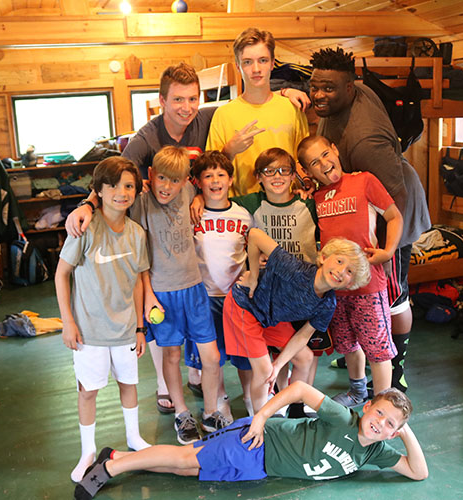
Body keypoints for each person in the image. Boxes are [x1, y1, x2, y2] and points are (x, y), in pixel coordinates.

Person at [65, 62, 309, 414]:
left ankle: (206, 391)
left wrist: (285, 91)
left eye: (193, 98)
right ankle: (168, 390)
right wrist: (88, 204)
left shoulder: (207, 118)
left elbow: (246, 104)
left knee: (205, 339)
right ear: (162, 100)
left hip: (192, 247)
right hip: (158, 255)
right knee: (167, 337)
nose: (186, 107)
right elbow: (115, 174)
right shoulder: (146, 138)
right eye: (178, 99)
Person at [309, 47, 431, 394]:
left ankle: (397, 368)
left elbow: (394, 200)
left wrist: (386, 250)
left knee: (393, 296)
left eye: (328, 88)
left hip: (394, 210)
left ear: (349, 88)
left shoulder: (366, 141)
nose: (319, 94)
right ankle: (363, 348)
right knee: (356, 293)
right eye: (315, 86)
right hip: (358, 203)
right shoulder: (342, 96)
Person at [74, 381, 428, 499]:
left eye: (390, 423)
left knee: (186, 470)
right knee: (186, 459)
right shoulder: (342, 418)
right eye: (378, 413)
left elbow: (418, 472)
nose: (380, 423)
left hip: (259, 467)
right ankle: (109, 467)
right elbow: (301, 389)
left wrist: (405, 430)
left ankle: (117, 454)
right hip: (260, 443)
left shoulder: (377, 452)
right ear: (367, 408)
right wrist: (260, 416)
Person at [54, 157, 151, 482]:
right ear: (97, 190)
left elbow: (138, 281)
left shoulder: (137, 234)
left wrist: (139, 327)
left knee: (129, 384)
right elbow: (61, 274)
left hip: (125, 330)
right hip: (88, 333)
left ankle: (134, 438)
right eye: (112, 185)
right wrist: (68, 321)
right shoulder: (83, 228)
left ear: (136, 191)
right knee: (88, 392)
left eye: (128, 186)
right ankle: (87, 452)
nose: (121, 193)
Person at [130, 145, 228, 445]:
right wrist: (148, 296)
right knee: (171, 355)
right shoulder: (140, 205)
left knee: (210, 356)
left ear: (187, 181)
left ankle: (211, 411)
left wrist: (198, 195)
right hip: (162, 293)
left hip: (195, 289)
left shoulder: (188, 194)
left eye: (175, 180)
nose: (167, 187)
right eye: (161, 179)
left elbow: (207, 182)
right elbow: (139, 260)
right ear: (151, 176)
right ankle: (182, 413)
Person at [298, 134, 404, 406]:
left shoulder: (364, 181)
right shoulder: (317, 197)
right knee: (347, 344)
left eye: (325, 154)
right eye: (314, 163)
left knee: (378, 349)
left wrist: (388, 250)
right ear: (308, 172)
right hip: (336, 287)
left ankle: (381, 402)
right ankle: (357, 391)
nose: (323, 164)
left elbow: (394, 216)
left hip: (368, 284)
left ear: (334, 149)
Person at [223, 228, 371, 413]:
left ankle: (292, 407)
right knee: (263, 372)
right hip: (246, 307)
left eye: (349, 271)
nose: (341, 271)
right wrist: (253, 274)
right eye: (339, 261)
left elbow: (302, 337)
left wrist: (278, 365)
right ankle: (261, 424)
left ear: (350, 284)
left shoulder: (327, 303)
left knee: (305, 357)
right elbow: (254, 235)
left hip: (270, 318)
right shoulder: (295, 270)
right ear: (324, 257)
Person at [231, 147, 325, 417]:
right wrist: (197, 201)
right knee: (279, 351)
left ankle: (300, 400)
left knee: (308, 351)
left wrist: (309, 187)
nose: (277, 176)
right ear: (258, 176)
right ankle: (278, 398)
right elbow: (217, 198)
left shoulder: (308, 204)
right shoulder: (250, 203)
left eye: (284, 170)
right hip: (271, 296)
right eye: (269, 171)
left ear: (294, 175)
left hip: (305, 290)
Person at [189, 150, 254, 418]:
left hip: (235, 297)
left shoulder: (243, 216)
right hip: (204, 297)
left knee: (244, 355)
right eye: (208, 176)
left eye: (220, 175)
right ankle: (219, 399)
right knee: (212, 358)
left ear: (230, 179)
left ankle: (252, 397)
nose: (215, 181)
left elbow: (250, 255)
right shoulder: (193, 215)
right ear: (199, 182)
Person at [206, 27, 309, 196]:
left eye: (262, 60)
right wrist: (228, 151)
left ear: (272, 63)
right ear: (238, 67)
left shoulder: (291, 108)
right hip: (241, 210)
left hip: (286, 208)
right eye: (247, 62)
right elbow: (209, 172)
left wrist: (306, 183)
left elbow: (303, 160)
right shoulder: (223, 115)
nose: (256, 69)